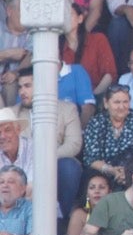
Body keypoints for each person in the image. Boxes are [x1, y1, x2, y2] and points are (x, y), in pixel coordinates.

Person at [15, 70, 84, 216]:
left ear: (41, 86)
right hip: (22, 164)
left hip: (55, 161)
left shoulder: (67, 109)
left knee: (70, 166)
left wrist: (47, 158)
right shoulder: (14, 113)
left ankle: (62, 220)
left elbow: (74, 144)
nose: (22, 91)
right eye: (20, 87)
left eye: (27, 86)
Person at [83, 84, 133, 188]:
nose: (121, 107)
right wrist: (111, 170)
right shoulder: (97, 122)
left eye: (125, 102)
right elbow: (90, 158)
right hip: (103, 171)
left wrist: (127, 172)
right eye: (117, 102)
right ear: (106, 103)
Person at [63, 1, 116, 95]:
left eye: (69, 15)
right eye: (62, 15)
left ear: (80, 18)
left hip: (96, 96)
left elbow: (109, 74)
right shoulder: (55, 47)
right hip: (66, 101)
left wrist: (92, 98)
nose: (65, 19)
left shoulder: (98, 39)